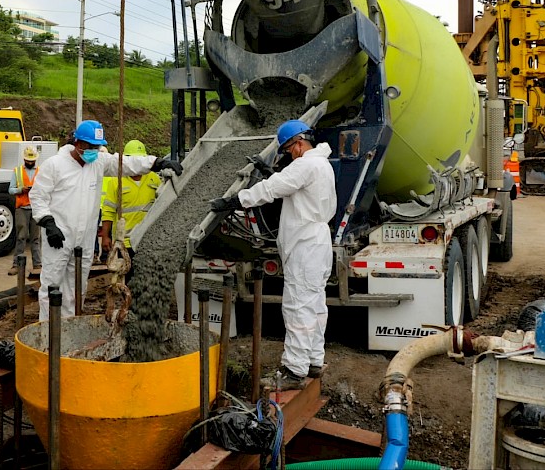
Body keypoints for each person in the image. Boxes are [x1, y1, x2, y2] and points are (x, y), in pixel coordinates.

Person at [210, 120, 336, 390]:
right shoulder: (322, 164)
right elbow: (289, 184)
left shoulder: (306, 165)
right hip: (318, 243)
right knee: (314, 304)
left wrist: (235, 201)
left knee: (297, 307)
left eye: (289, 150)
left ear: (299, 144)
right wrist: (269, 172)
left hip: (305, 245)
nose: (289, 155)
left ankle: (294, 370)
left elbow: (271, 189)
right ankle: (313, 360)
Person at [30, 120, 183, 320]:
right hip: (59, 236)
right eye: (92, 146)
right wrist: (48, 223)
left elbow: (125, 163)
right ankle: (49, 329)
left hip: (84, 239)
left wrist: (156, 163)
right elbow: (38, 196)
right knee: (52, 283)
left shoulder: (98, 162)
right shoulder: (55, 165)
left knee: (78, 286)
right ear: (79, 144)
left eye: (98, 146)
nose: (97, 150)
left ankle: (70, 324)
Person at [99, 139, 161, 282]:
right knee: (127, 279)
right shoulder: (116, 180)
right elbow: (108, 210)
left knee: (147, 279)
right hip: (125, 241)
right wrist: (105, 236)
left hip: (147, 240)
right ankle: (128, 303)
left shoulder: (154, 179)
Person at [8, 147, 42, 277]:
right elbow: (11, 189)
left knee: (35, 238)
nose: (30, 162)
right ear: (24, 159)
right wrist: (20, 190)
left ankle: (38, 265)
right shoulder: (17, 172)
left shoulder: (40, 172)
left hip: (35, 208)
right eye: (28, 160)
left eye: (32, 160)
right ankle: (17, 265)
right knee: (21, 237)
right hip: (22, 208)